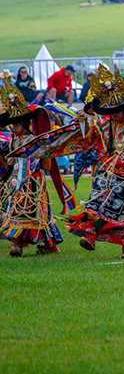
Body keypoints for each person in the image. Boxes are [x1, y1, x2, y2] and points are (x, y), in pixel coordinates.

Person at [25, 66, 124, 259]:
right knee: (95, 205)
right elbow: (84, 136)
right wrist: (82, 121)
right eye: (110, 110)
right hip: (105, 175)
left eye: (117, 109)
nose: (114, 113)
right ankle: (89, 236)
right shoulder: (102, 126)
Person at [0, 75, 66, 257]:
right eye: (12, 124)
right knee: (17, 211)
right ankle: (18, 243)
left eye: (17, 124)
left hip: (33, 182)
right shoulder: (13, 140)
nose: (14, 127)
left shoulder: (33, 141)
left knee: (37, 214)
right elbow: (4, 148)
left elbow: (41, 155)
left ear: (24, 123)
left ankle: (45, 244)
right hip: (18, 182)